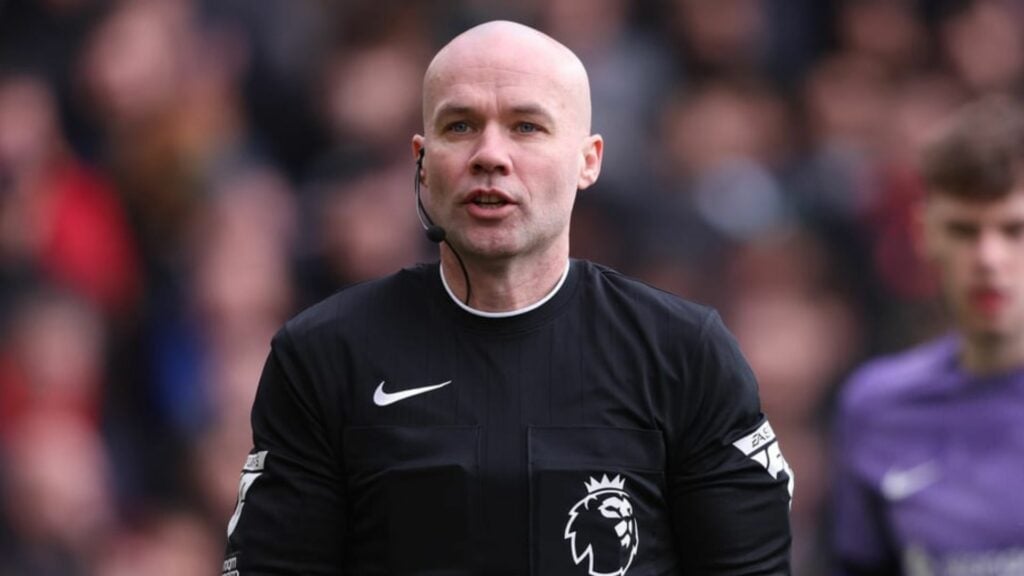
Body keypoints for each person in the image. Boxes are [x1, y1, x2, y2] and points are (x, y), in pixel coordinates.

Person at [223, 20, 792, 575]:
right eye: (460, 126)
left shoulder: (683, 355)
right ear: (422, 163)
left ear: (587, 160)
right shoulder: (323, 355)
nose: (490, 155)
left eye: (526, 126)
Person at [832, 96, 1024, 575]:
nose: (988, 259)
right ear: (925, 234)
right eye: (963, 231)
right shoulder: (877, 407)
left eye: (1014, 230)